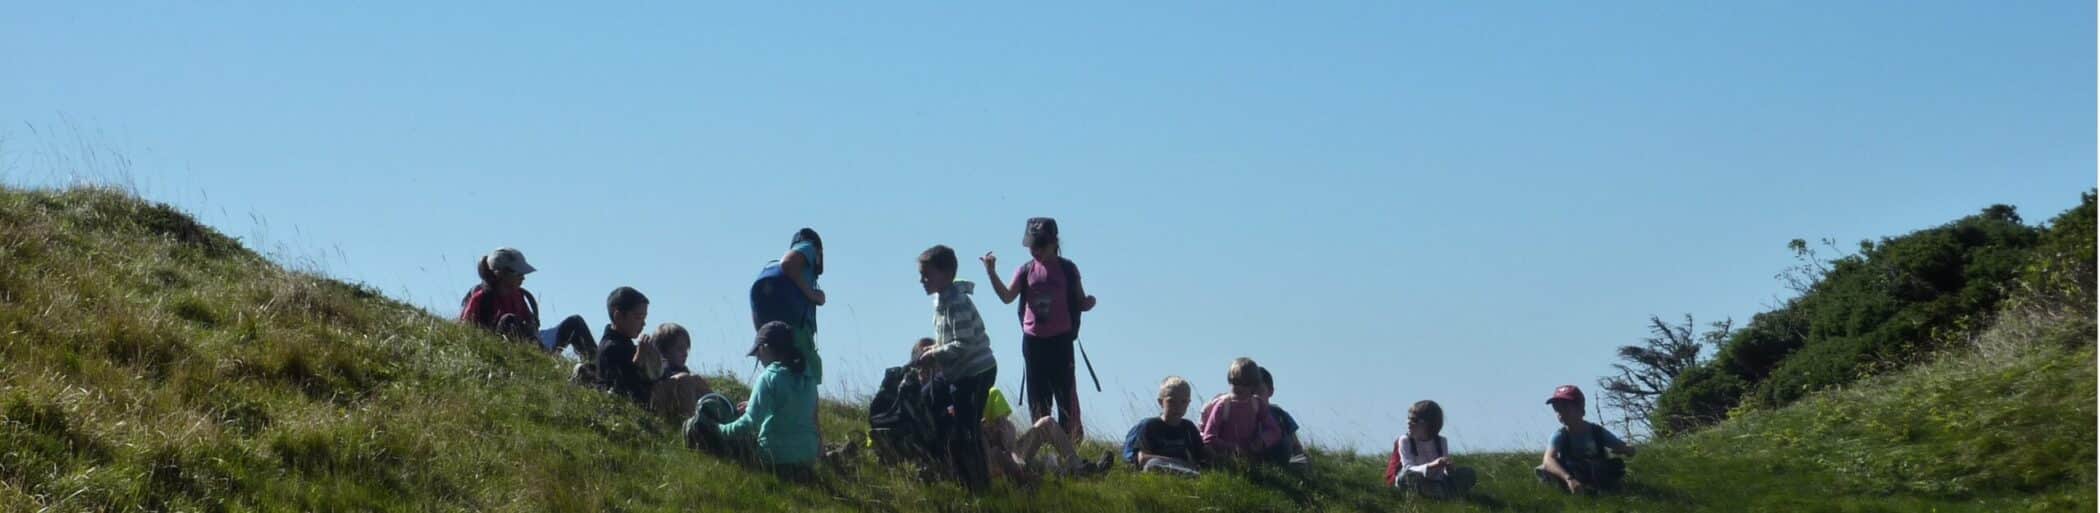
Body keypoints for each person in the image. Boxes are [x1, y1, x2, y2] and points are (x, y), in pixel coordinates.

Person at [982, 217, 1096, 440]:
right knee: (1038, 396)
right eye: (1032, 246)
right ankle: (1041, 440)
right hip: (1034, 342)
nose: (1035, 250)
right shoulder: (1025, 271)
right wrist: (991, 272)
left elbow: (1079, 300)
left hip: (1061, 340)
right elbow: (1007, 296)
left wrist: (1088, 303)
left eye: (1040, 245)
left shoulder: (1068, 269)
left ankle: (1071, 439)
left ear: (1054, 242)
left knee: (1066, 394)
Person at [685, 321, 820, 476]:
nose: (758, 358)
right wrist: (756, 404)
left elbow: (749, 424)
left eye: (757, 353)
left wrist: (718, 429)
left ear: (765, 347)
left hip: (774, 459)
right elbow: (805, 416)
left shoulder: (769, 377)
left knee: (699, 428)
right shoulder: (809, 379)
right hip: (808, 458)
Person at [920, 244, 1000, 491]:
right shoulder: (939, 300)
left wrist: (934, 353)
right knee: (925, 400)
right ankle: (942, 463)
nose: (922, 280)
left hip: (975, 373)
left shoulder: (957, 303)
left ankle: (978, 485)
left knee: (968, 429)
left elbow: (964, 344)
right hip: (957, 371)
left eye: (927, 274)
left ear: (946, 275)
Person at [981, 387, 1111, 484]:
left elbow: (1005, 428)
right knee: (995, 447)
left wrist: (999, 430)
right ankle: (1029, 473)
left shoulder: (991, 392)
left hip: (1012, 454)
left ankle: (1079, 467)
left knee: (1047, 423)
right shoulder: (962, 397)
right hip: (986, 461)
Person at [1536, 385, 1636, 494]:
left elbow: (1623, 447)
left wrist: (1629, 450)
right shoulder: (1560, 436)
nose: (1560, 413)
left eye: (1565, 407)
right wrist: (1569, 479)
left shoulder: (1597, 432)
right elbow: (1548, 460)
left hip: (1597, 473)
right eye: (1557, 408)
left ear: (1580, 408)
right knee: (1543, 469)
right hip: (1573, 474)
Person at [1386, 400, 1477, 499]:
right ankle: (1446, 495)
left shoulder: (1441, 441)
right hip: (1419, 480)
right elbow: (1408, 468)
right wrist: (1432, 465)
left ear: (1429, 424)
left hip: (1437, 482)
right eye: (1408, 418)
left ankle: (1440, 493)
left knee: (1468, 473)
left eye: (1414, 420)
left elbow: (1443, 473)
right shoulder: (1405, 440)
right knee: (1406, 476)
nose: (1408, 422)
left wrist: (1449, 469)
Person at [1200, 358, 1283, 461]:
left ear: (1253, 385)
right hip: (1224, 457)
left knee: (1283, 446)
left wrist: (1262, 441)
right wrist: (1234, 449)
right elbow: (1208, 438)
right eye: (1235, 382)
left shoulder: (1256, 404)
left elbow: (1274, 430)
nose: (1238, 387)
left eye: (1244, 383)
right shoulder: (1223, 405)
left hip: (1251, 456)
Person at [458, 247, 542, 341]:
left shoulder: (518, 296)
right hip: (489, 345)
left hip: (517, 347)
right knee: (508, 320)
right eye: (519, 274)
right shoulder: (481, 298)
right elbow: (464, 329)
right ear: (501, 273)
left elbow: (529, 324)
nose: (523, 278)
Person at [1131, 376, 1208, 476]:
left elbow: (1201, 455)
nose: (1178, 406)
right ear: (1160, 402)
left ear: (1189, 403)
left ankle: (1189, 474)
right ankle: (1188, 475)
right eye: (1171, 401)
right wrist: (1175, 461)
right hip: (1161, 467)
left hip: (1186, 468)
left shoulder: (1188, 427)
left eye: (1183, 402)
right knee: (1152, 465)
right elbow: (1142, 458)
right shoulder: (1150, 426)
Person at [641, 323, 712, 420]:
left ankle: (720, 414)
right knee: (684, 378)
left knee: (696, 379)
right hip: (657, 405)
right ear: (664, 350)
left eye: (686, 349)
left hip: (673, 402)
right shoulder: (658, 365)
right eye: (680, 349)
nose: (685, 354)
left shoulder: (682, 369)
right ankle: (691, 424)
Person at [593, 287, 652, 404]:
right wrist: (639, 358)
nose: (643, 323)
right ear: (618, 317)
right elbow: (625, 389)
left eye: (644, 318)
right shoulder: (610, 349)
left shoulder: (626, 343)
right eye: (638, 317)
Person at [1257, 367, 1310, 468]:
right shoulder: (1244, 414)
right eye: (1251, 392)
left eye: (1259, 391)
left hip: (1282, 458)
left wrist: (1302, 461)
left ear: (1270, 391)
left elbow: (1296, 446)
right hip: (1256, 459)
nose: (1255, 396)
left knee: (1301, 462)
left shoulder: (1279, 413)